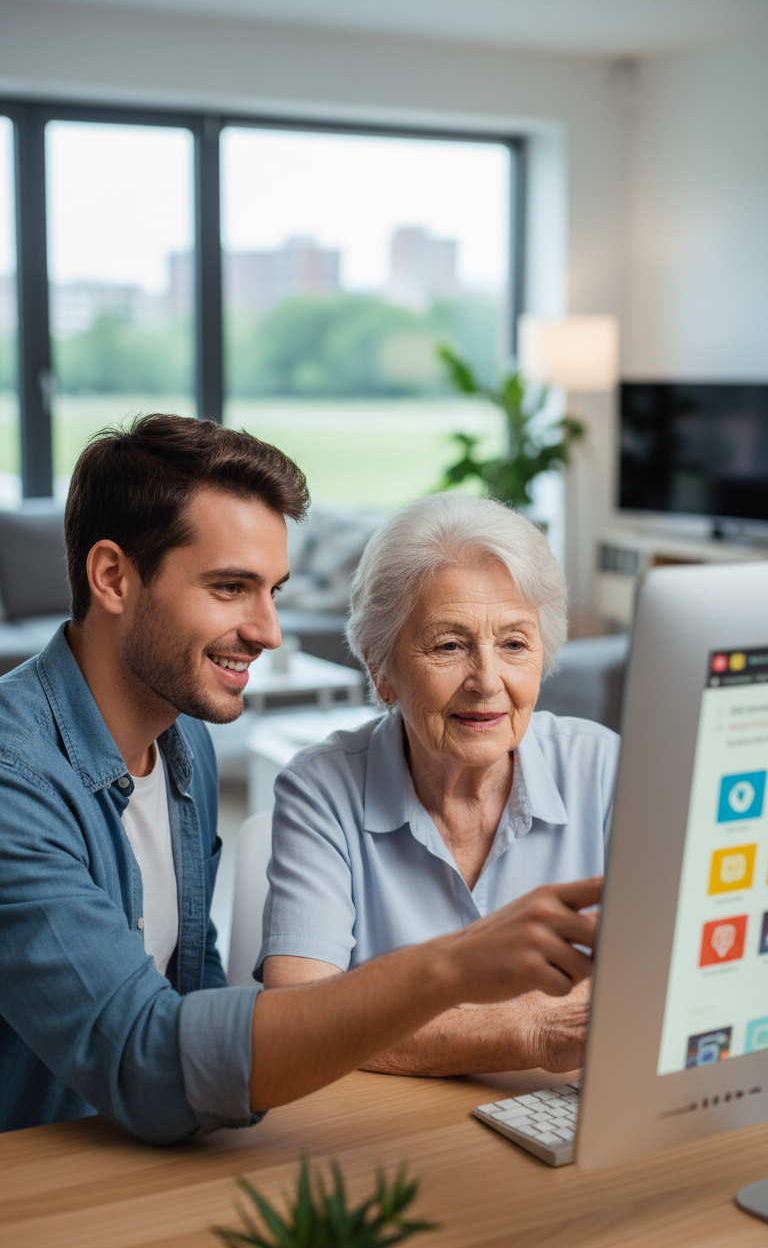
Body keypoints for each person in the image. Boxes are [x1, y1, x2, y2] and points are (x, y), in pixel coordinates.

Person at [0, 417, 600, 1142]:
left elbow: (196, 1001)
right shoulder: (15, 780)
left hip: (153, 1163)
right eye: (230, 587)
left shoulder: (182, 738)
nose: (269, 631)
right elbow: (144, 1055)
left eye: (273, 591)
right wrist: (452, 970)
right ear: (113, 577)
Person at [260, 493, 619, 1077]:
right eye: (449, 645)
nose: (486, 681)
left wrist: (378, 1016)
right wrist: (530, 1029)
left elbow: (666, 975)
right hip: (393, 1134)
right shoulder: (322, 788)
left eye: (514, 644)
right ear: (380, 669)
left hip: (559, 1116)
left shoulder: (603, 767)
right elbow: (298, 1020)